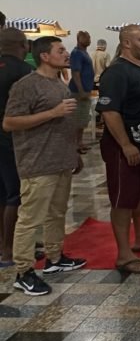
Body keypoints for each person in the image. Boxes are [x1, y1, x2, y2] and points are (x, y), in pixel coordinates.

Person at [3, 36, 87, 296]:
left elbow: (65, 123)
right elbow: (9, 122)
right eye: (60, 50)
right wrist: (52, 113)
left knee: (57, 213)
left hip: (61, 160)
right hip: (37, 163)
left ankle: (54, 257)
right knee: (30, 219)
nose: (66, 54)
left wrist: (74, 152)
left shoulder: (59, 83)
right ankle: (23, 272)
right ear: (45, 56)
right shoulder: (26, 85)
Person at [96, 25, 140, 273]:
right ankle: (124, 254)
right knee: (123, 199)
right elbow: (110, 111)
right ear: (126, 43)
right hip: (126, 147)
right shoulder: (117, 72)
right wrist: (125, 144)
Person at [0, 28, 32, 266]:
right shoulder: (24, 72)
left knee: (2, 193)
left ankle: (3, 243)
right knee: (16, 195)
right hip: (13, 140)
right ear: (24, 45)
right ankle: (10, 250)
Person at [69, 31, 95, 154]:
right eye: (86, 38)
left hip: (86, 91)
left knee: (82, 119)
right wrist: (81, 90)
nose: (89, 39)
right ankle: (74, 145)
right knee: (77, 118)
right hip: (78, 92)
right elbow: (75, 73)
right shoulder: (77, 53)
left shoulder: (84, 53)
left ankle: (79, 142)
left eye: (89, 37)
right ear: (79, 39)